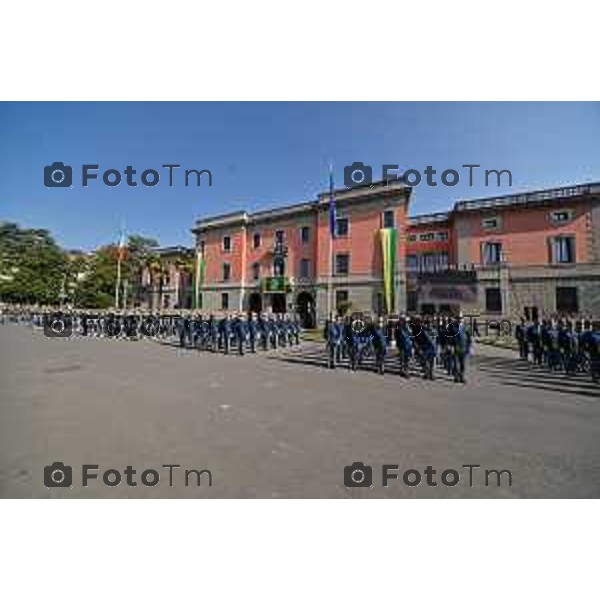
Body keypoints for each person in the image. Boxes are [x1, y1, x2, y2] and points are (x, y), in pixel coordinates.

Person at [448, 314, 471, 384]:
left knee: (463, 364)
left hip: (464, 347)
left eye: (461, 318)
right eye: (458, 318)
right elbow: (449, 337)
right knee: (456, 364)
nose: (459, 320)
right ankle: (456, 377)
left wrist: (469, 347)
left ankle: (462, 377)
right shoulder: (452, 327)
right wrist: (450, 346)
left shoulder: (465, 327)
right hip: (456, 347)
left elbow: (468, 337)